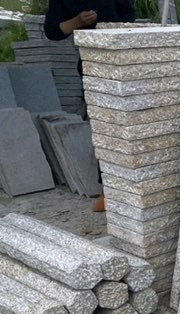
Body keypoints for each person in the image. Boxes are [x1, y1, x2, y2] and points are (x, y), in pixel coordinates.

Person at [44, 0, 135, 212]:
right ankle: (108, 190)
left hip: (121, 62)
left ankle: (130, 186)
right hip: (91, 67)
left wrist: (109, 27)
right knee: (103, 130)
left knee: (129, 126)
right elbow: (53, 31)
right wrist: (77, 22)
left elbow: (130, 18)